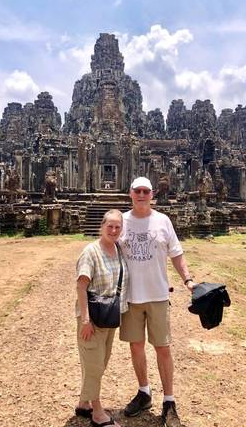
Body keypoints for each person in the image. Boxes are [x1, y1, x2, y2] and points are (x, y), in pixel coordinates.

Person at [119, 177, 194, 427]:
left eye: (146, 191)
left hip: (158, 295)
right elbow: (107, 250)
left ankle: (169, 401)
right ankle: (144, 392)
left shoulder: (163, 221)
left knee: (163, 348)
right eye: (137, 191)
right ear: (130, 193)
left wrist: (188, 280)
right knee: (136, 346)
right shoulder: (121, 221)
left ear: (152, 195)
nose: (141, 195)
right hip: (131, 296)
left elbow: (177, 254)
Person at [75, 210, 128, 427]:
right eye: (110, 226)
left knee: (100, 361)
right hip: (92, 319)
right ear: (102, 226)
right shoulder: (91, 252)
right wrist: (86, 320)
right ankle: (97, 412)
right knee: (95, 364)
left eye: (118, 227)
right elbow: (81, 286)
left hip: (109, 315)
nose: (114, 230)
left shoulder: (118, 249)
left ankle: (83, 403)